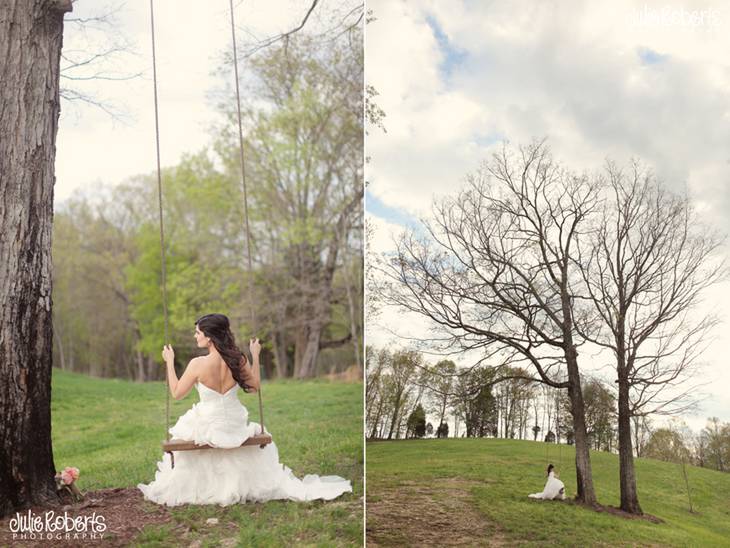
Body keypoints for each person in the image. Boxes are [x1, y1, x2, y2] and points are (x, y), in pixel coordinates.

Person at [137, 313, 352, 506]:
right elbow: (253, 387)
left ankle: (209, 486)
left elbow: (176, 393)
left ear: (209, 336)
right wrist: (255, 355)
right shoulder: (238, 359)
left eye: (198, 332)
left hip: (210, 423)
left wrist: (169, 362)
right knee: (205, 428)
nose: (195, 336)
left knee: (187, 428)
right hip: (235, 423)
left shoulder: (197, 364)